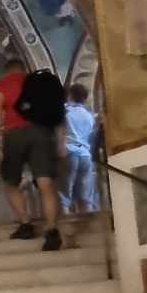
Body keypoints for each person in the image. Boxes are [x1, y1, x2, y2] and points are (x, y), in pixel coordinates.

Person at [0, 57, 64, 251]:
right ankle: (52, 231)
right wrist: (61, 142)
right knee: (45, 183)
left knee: (10, 182)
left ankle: (26, 224)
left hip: (15, 135)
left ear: (7, 71)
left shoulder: (3, 84)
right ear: (24, 70)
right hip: (42, 133)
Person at [60, 82, 99, 244]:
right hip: (85, 155)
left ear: (70, 95)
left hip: (69, 152)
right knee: (85, 197)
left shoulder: (65, 110)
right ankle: (89, 232)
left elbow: (58, 129)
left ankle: (68, 231)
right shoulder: (89, 116)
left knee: (64, 194)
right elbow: (92, 136)